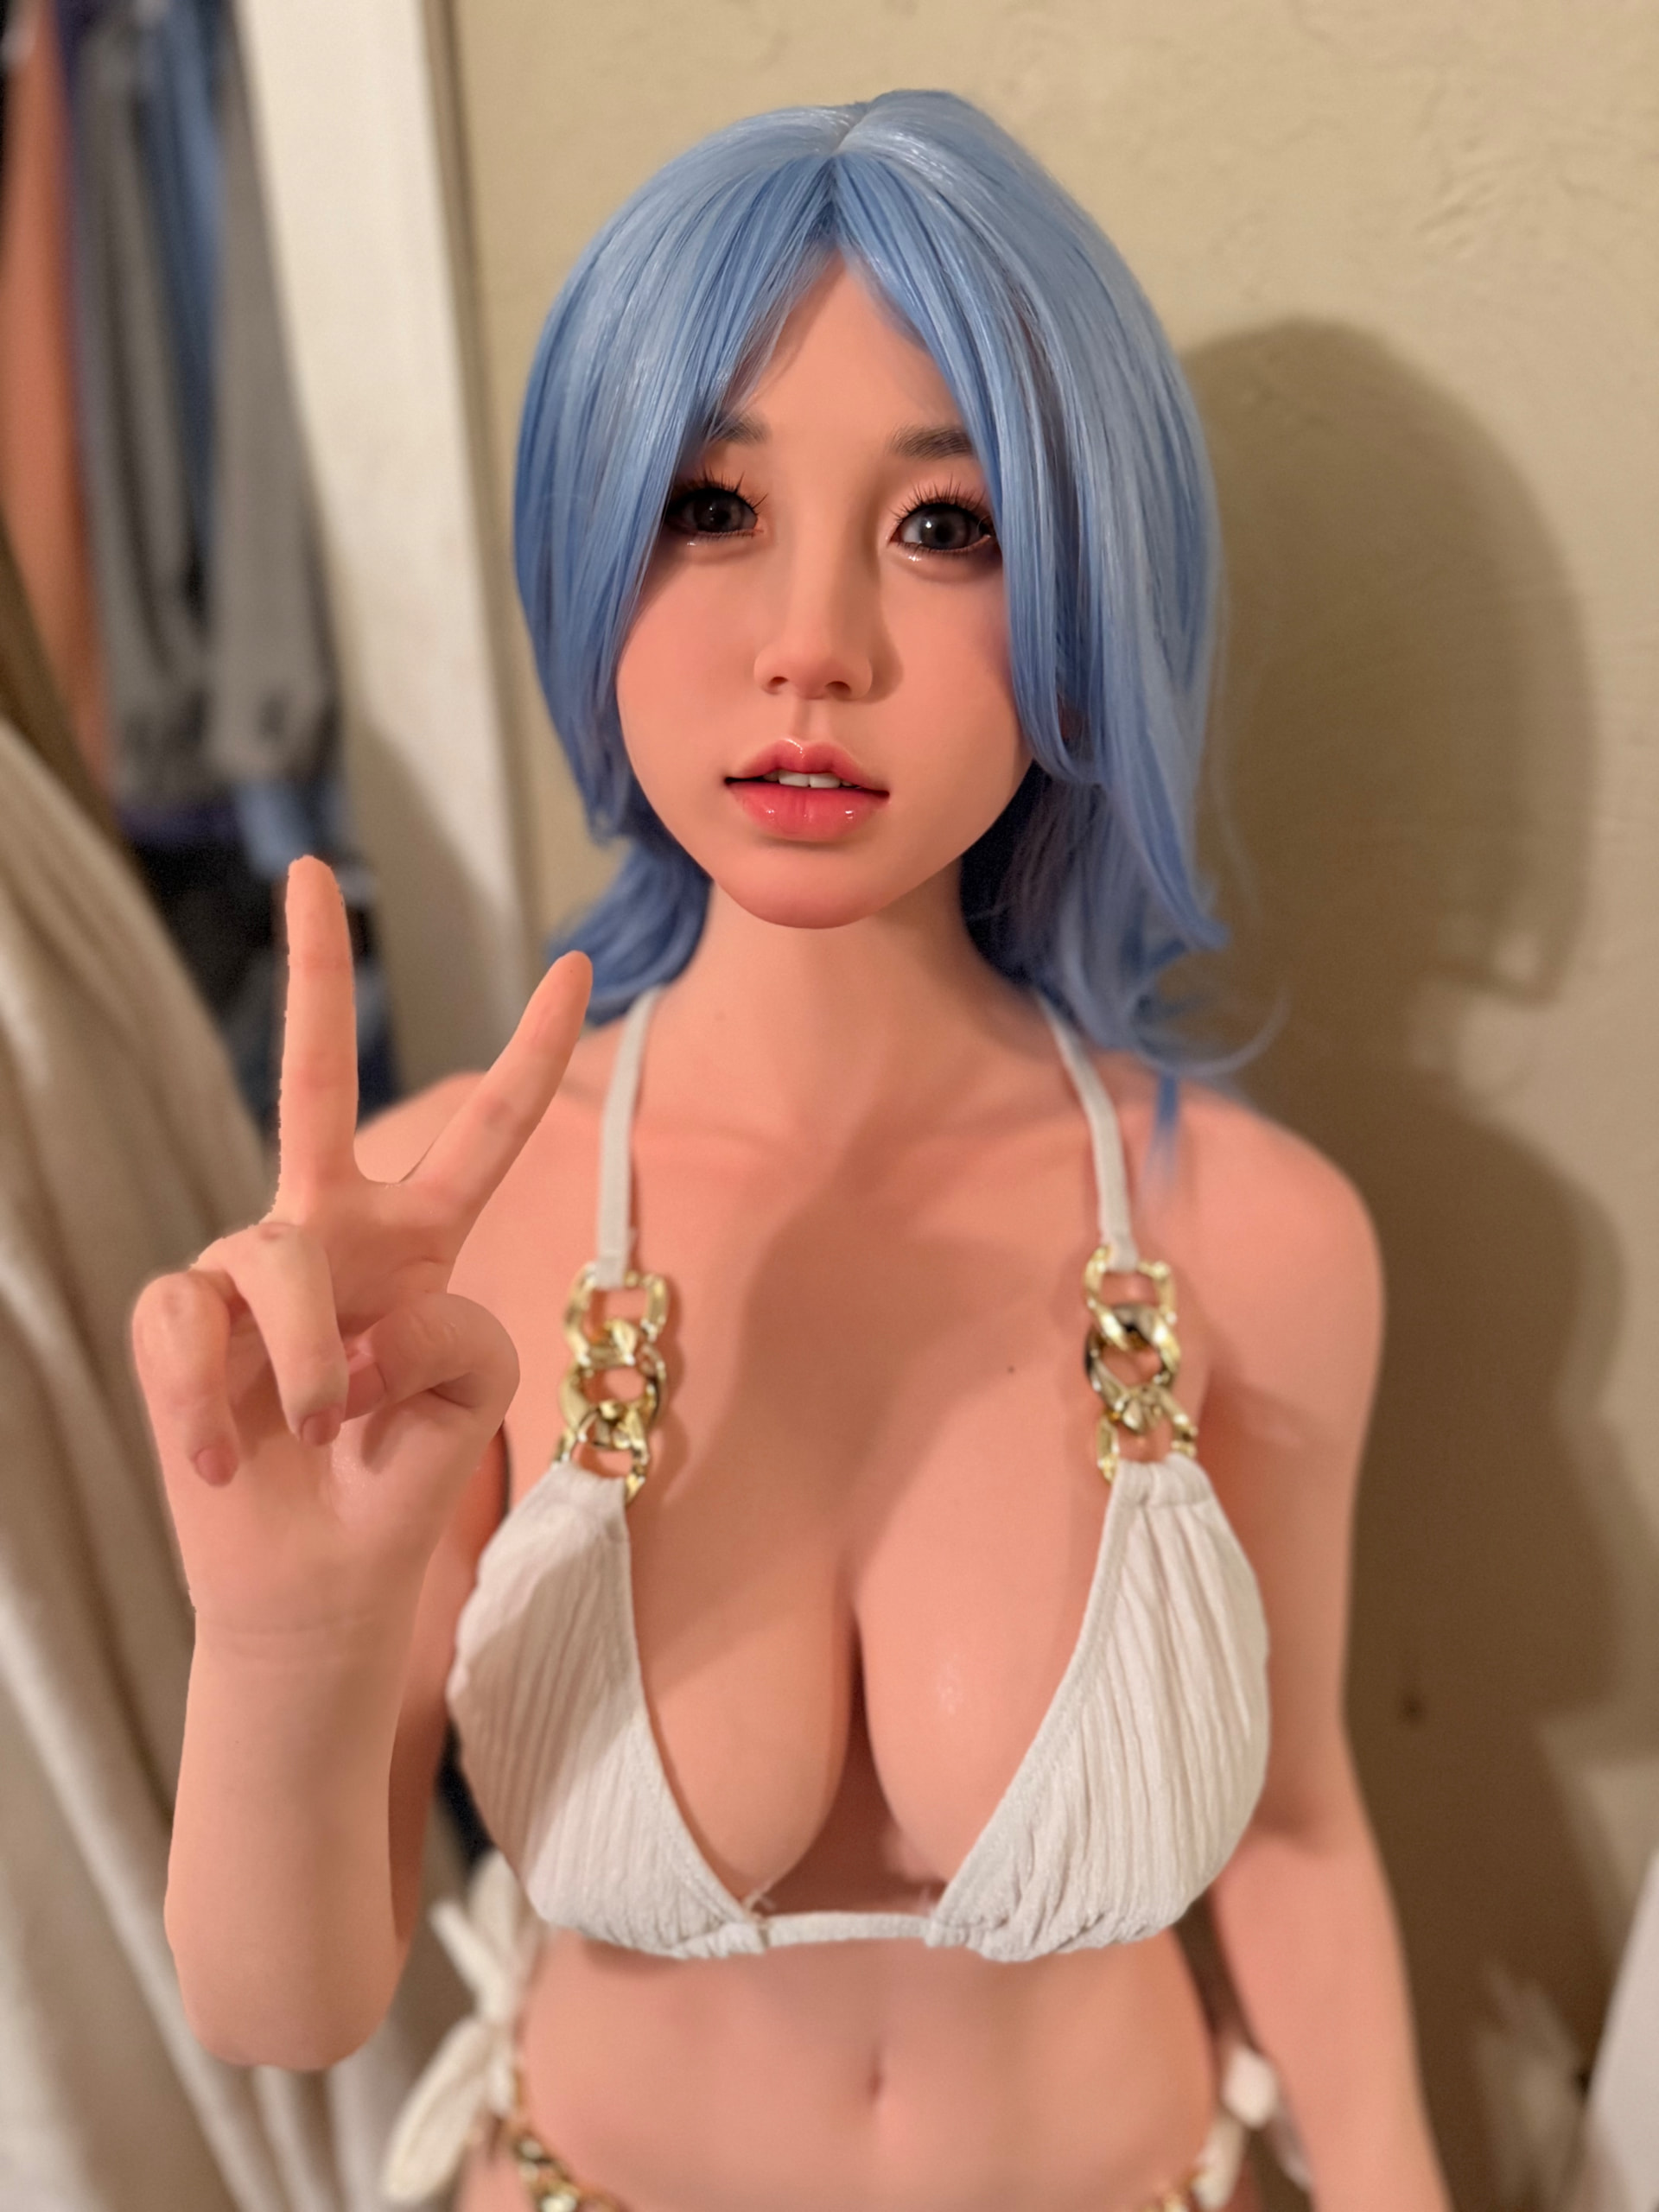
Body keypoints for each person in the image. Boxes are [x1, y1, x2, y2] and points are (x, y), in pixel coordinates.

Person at [132, 92, 1452, 2212]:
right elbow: (287, 2004)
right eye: (711, 503)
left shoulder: (1255, 1234)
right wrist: (281, 1638)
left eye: (946, 524)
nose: (813, 640)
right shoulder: (453, 1225)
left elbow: (1296, 1831)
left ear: (1084, 590)